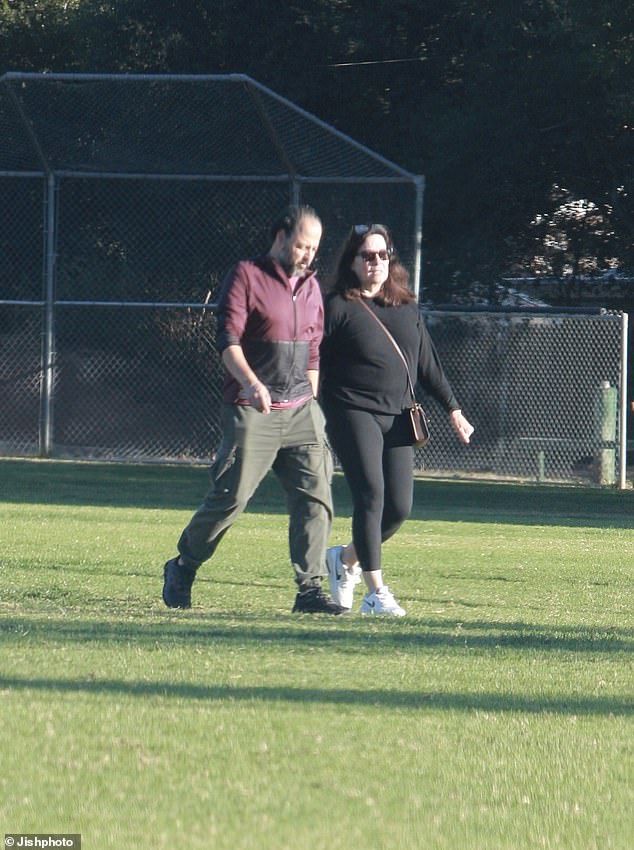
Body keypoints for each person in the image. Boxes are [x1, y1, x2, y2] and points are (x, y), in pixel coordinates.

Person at [162, 205, 344, 614]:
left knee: (316, 497)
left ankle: (310, 591)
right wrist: (251, 383)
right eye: (301, 245)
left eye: (314, 248)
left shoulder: (312, 287)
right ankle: (183, 566)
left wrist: (311, 400)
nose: (307, 255)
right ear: (280, 238)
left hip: (301, 409)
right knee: (230, 498)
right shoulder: (247, 275)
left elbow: (313, 348)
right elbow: (228, 341)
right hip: (252, 408)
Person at [319, 223, 474, 616]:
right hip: (351, 410)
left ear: (391, 260)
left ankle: (344, 560)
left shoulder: (406, 306)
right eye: (366, 256)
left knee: (398, 508)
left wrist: (453, 408)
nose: (375, 263)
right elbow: (311, 357)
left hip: (399, 415)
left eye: (381, 255)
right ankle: (376, 592)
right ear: (352, 262)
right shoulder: (337, 305)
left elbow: (427, 365)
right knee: (370, 494)